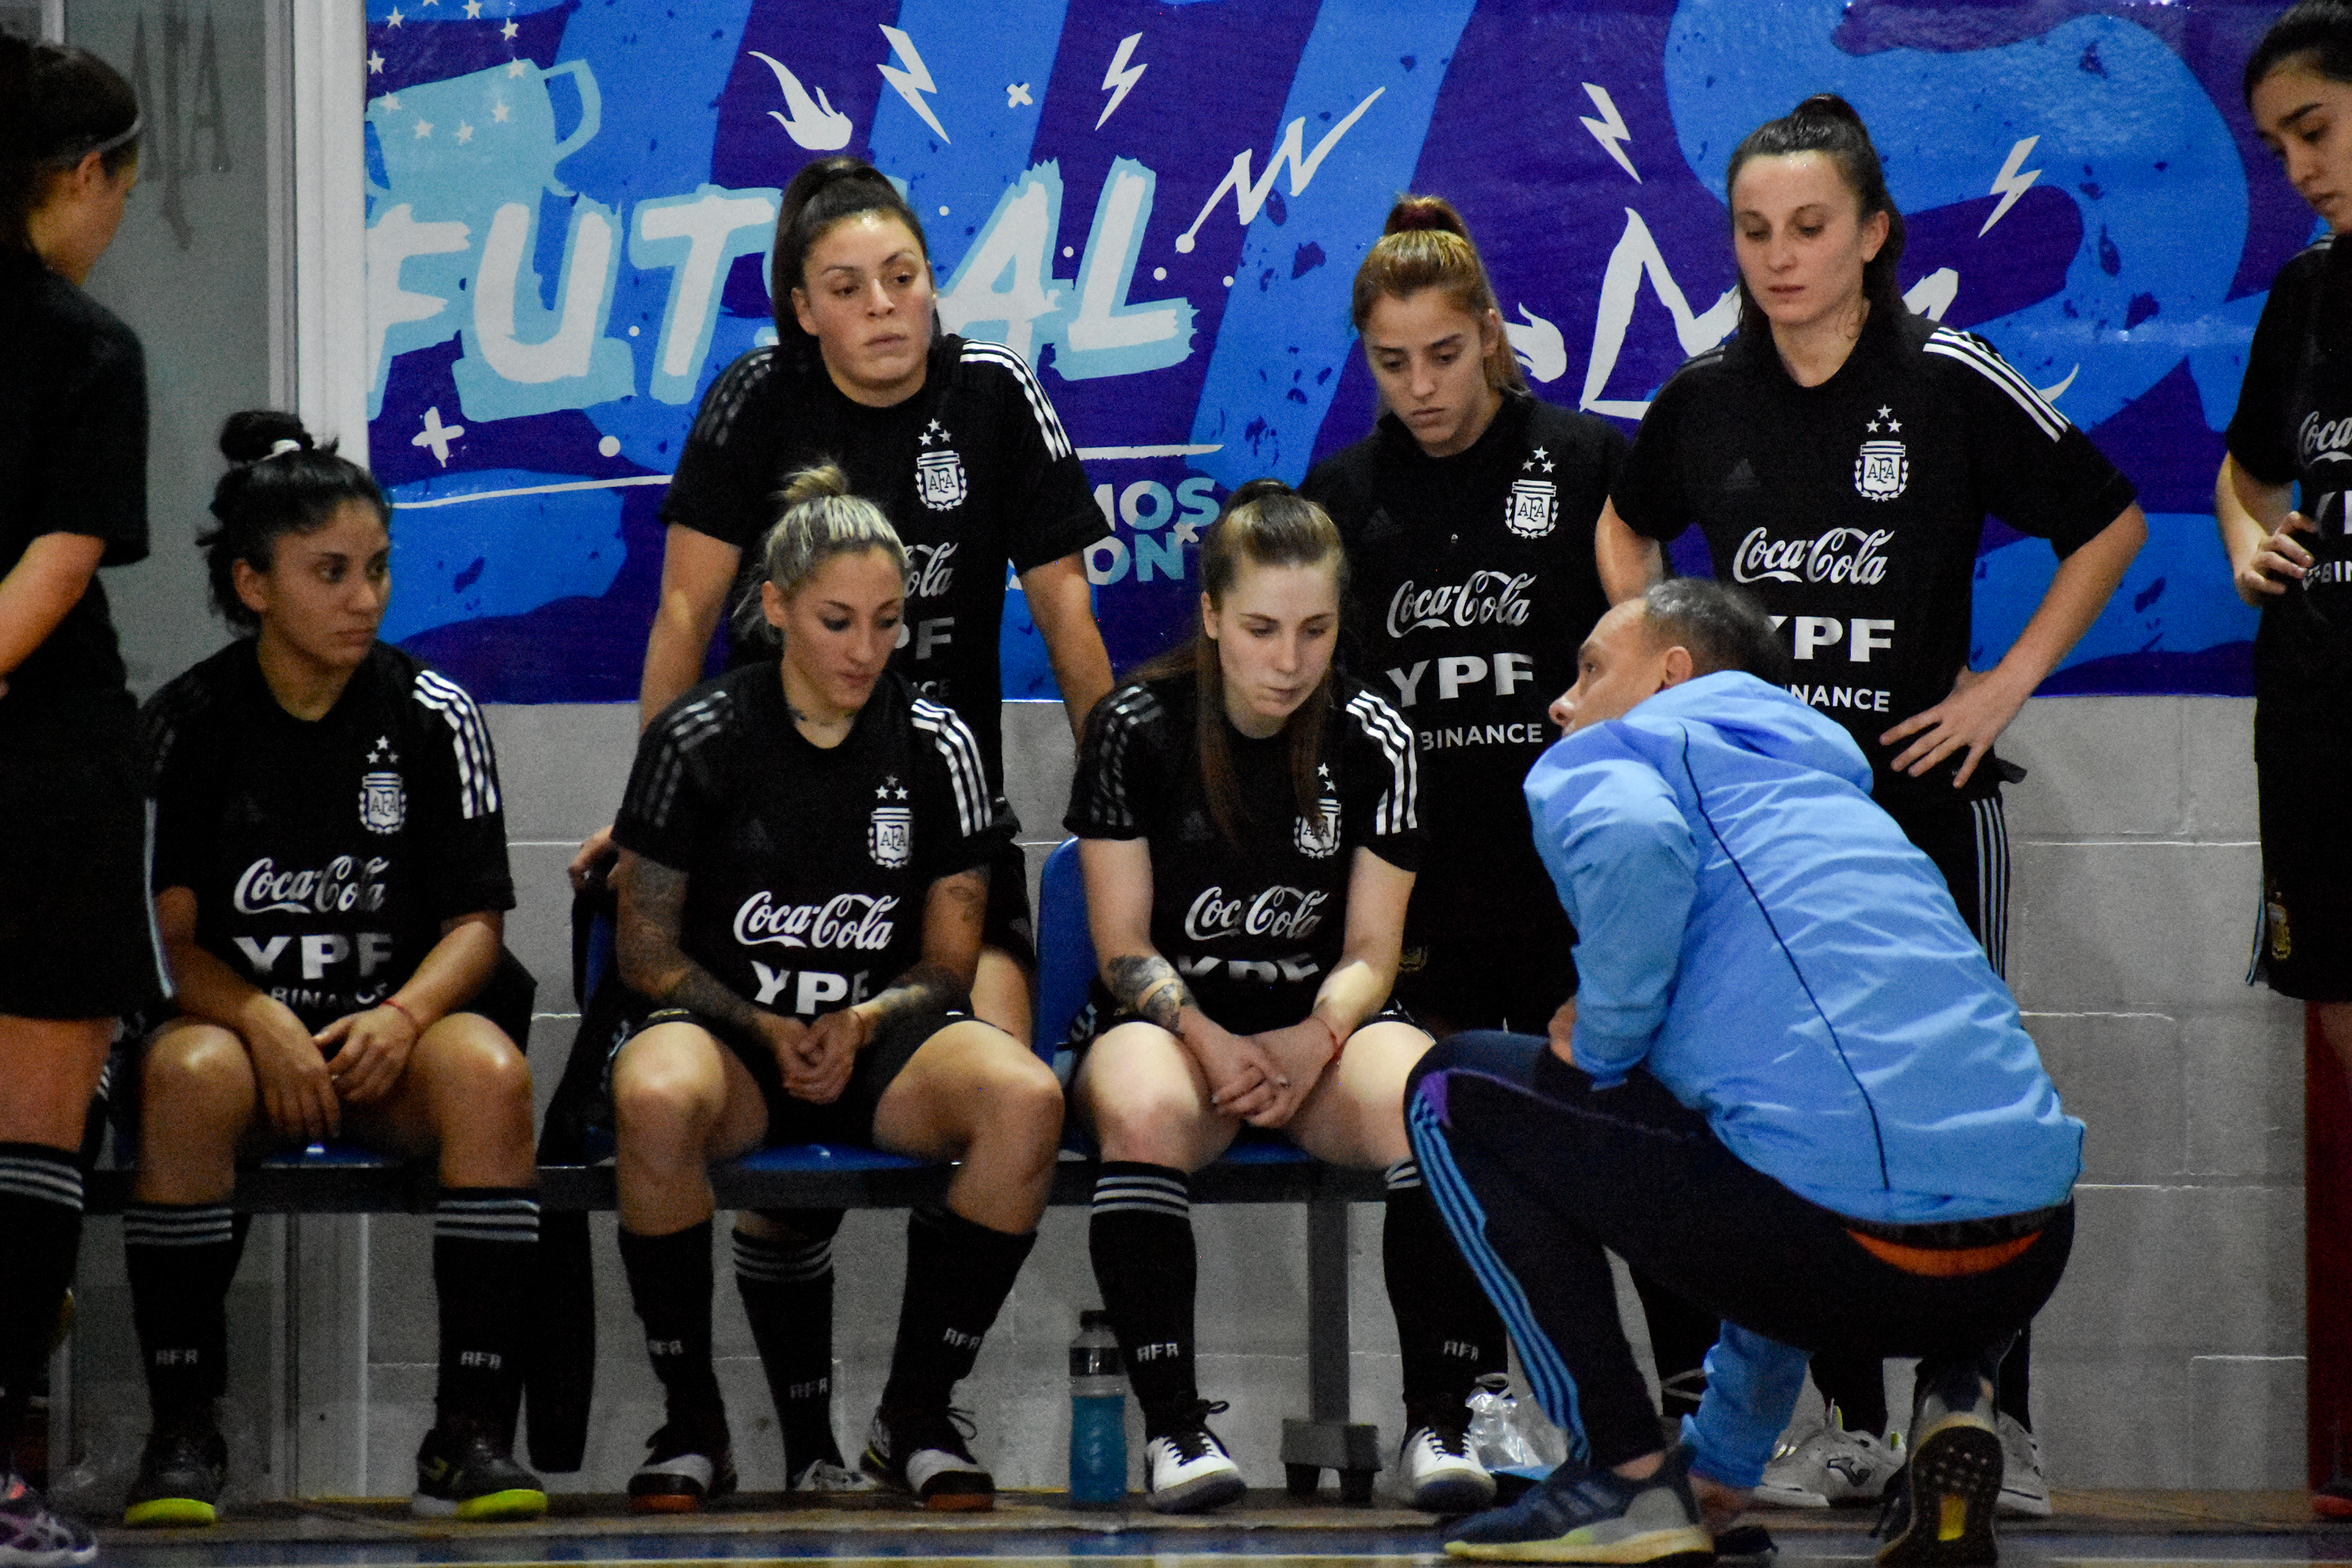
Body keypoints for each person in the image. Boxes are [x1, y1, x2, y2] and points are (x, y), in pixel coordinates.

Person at [1595, 93, 2145, 1516]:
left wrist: (1999, 688)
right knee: (1779, 1111)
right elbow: (1625, 519)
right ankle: (1834, 1422)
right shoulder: (1703, 398)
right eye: (1756, 231)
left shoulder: (1947, 377)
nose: (1781, 257)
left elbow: (2111, 518)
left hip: (1920, 806)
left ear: (1874, 233)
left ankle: (1981, 1424)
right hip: (1761, 832)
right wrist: (1667, 684)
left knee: (1952, 1102)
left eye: (1812, 228)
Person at [570, 156, 1108, 1487]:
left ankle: (916, 1414)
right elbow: (685, 620)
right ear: (802, 310)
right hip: (765, 829)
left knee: (999, 1086)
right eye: (849, 288)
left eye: (906, 279)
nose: (885, 309)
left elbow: (1072, 625)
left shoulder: (995, 398)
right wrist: (654, 820)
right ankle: (767, 1434)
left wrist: (1128, 819)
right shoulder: (757, 399)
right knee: (727, 1107)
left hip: (939, 838)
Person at [1408, 577, 2080, 1566]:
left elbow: (1635, 839)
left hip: (1840, 1250)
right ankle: (1956, 1399)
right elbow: (1788, 1144)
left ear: (1672, 673)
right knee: (1830, 1136)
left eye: (1592, 669)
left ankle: (1620, 1476)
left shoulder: (1624, 750)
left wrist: (1603, 1037)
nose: (1564, 701)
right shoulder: (1847, 816)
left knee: (1452, 1088)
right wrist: (1725, 1464)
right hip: (2021, 1262)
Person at [1301, 194, 1719, 1440]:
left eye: (1443, 353)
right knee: (1441, 1135)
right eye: (1390, 362)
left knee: (1634, 1128)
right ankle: (1457, 1406)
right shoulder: (1340, 497)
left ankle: (1695, 1404)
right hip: (1422, 889)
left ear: (1489, 333)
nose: (1421, 386)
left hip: (1574, 882)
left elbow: (1653, 683)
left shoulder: (1588, 464)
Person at [606, 466, 1063, 1512]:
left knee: (1027, 1101)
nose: (866, 650)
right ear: (774, 608)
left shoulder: (941, 743)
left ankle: (915, 1419)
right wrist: (761, 1021)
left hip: (881, 1037)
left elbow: (949, 966)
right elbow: (646, 954)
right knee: (653, 1095)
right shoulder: (696, 739)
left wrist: (859, 1019)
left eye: (888, 623)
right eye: (838, 621)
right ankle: (694, 1425)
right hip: (735, 1038)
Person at [126, 413, 545, 1526]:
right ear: (253, 584)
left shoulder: (432, 714)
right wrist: (261, 1018)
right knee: (184, 1075)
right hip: (246, 1041)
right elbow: (167, 941)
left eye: (377, 570)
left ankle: (467, 1434)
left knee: (491, 1073)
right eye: (331, 573)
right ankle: (181, 1433)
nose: (365, 597)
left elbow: (477, 927)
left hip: (385, 1052)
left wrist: (404, 1018)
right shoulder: (189, 725)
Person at [1063, 479, 1508, 1514]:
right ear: (1213, 615)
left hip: (1319, 1037)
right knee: (1133, 1103)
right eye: (1261, 628)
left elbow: (1370, 948)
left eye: (1314, 630)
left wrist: (1316, 1036)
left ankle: (1438, 1423)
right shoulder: (1137, 725)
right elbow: (1123, 945)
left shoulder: (1374, 734)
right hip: (1177, 1033)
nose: (1288, 659)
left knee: (1431, 1101)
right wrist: (1212, 1040)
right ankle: (1176, 1432)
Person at [0, 34, 156, 1566]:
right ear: (79, 178)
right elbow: (51, 574)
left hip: (45, 776)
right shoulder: (86, 349)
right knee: (32, 1142)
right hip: (40, 780)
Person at [2223, 0, 2352, 1520]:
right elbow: (2246, 469)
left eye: (2315, 130)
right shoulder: (2306, 298)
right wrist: (2254, 543)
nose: (2300, 169)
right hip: (2318, 729)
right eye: (2279, 147)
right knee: (2337, 1040)